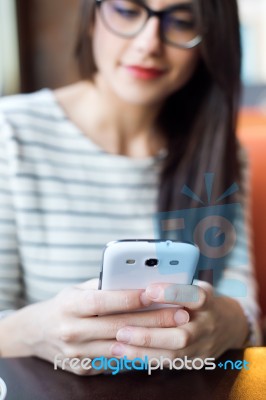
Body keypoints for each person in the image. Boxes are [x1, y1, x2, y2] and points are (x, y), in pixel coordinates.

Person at [0, 0, 262, 375]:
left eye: (183, 21)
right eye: (126, 12)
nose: (148, 43)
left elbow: (245, 308)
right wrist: (37, 332)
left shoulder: (220, 152)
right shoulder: (9, 134)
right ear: (92, 17)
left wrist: (227, 321)